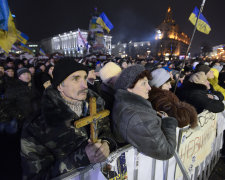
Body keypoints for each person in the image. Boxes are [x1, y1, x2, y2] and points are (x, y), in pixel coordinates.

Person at [21, 58, 116, 179]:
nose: (84, 85)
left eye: (84, 77)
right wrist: (81, 158)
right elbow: (36, 176)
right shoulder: (37, 127)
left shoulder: (96, 106)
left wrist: (107, 143)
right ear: (60, 86)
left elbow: (106, 132)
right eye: (76, 79)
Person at [112, 65, 177, 160]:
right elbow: (166, 151)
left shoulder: (126, 105)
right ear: (129, 87)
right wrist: (168, 123)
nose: (149, 88)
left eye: (148, 83)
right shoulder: (138, 117)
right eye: (143, 84)